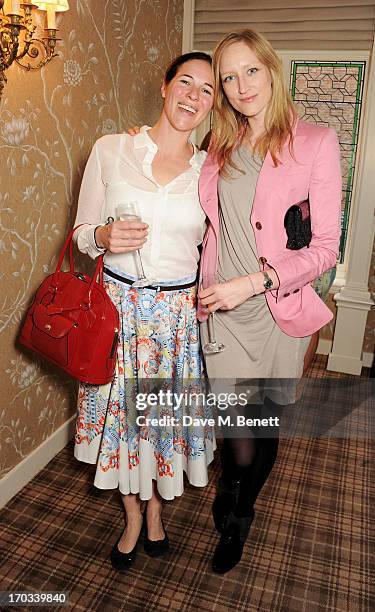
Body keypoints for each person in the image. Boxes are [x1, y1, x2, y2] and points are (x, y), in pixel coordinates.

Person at [198, 29, 342, 574]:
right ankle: (231, 495)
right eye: (229, 77)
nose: (240, 86)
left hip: (280, 311)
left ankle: (243, 512)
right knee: (236, 433)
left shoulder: (315, 142)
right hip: (226, 316)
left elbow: (327, 246)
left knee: (266, 423)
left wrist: (257, 280)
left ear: (271, 70)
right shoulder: (217, 147)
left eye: (250, 71)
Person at [73, 51, 215, 572]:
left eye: (206, 90)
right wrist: (104, 236)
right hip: (117, 313)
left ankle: (156, 509)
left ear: (212, 107)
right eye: (185, 82)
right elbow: (81, 233)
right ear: (165, 86)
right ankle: (132, 516)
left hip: (173, 321)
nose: (193, 96)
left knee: (157, 427)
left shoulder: (212, 170)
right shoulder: (111, 151)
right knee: (119, 426)